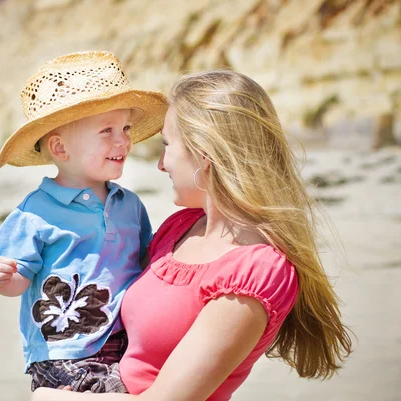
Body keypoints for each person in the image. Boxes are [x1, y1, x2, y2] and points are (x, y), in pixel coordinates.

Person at [26, 70, 353, 401]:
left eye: (167, 145)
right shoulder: (180, 228)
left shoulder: (256, 272)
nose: (161, 164)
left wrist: (49, 397)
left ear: (205, 155)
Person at [0, 51, 167, 392]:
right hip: (62, 352)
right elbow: (18, 282)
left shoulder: (129, 205)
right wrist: (3, 279)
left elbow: (147, 262)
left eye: (126, 128)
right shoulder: (34, 213)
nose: (123, 140)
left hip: (124, 340)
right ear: (60, 148)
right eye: (107, 130)